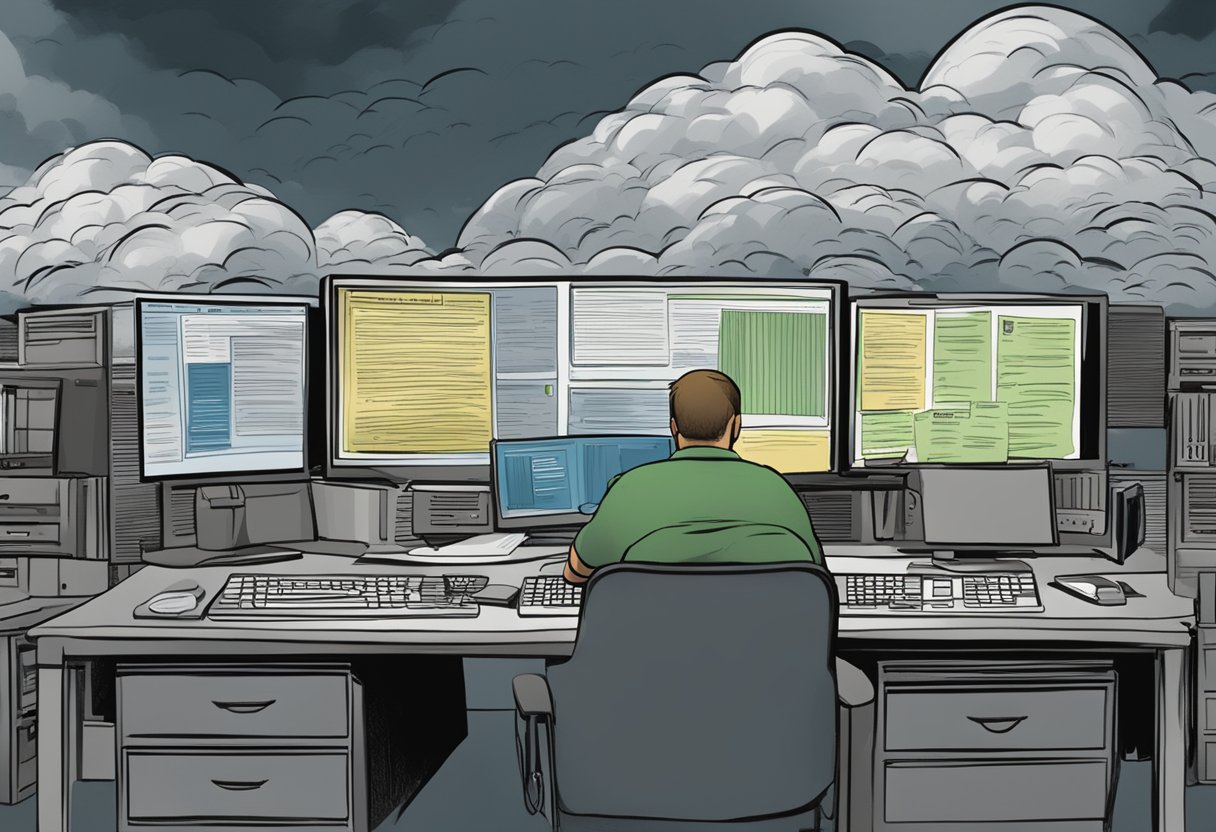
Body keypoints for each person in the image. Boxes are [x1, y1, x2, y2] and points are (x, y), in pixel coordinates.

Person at [564, 369, 824, 584]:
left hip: (655, 643)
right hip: (758, 644)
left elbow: (576, 572)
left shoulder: (630, 489)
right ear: (737, 425)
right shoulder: (777, 490)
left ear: (673, 427)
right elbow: (813, 577)